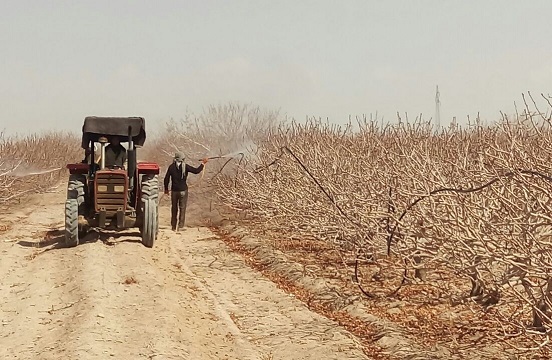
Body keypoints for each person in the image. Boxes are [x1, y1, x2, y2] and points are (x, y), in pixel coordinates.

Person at [164, 152, 208, 231]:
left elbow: (166, 179)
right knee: (182, 208)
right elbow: (196, 171)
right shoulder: (185, 166)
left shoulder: (171, 167)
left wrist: (166, 189)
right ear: (183, 159)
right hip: (183, 190)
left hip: (174, 191)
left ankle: (173, 227)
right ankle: (180, 226)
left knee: (174, 208)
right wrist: (203, 163)